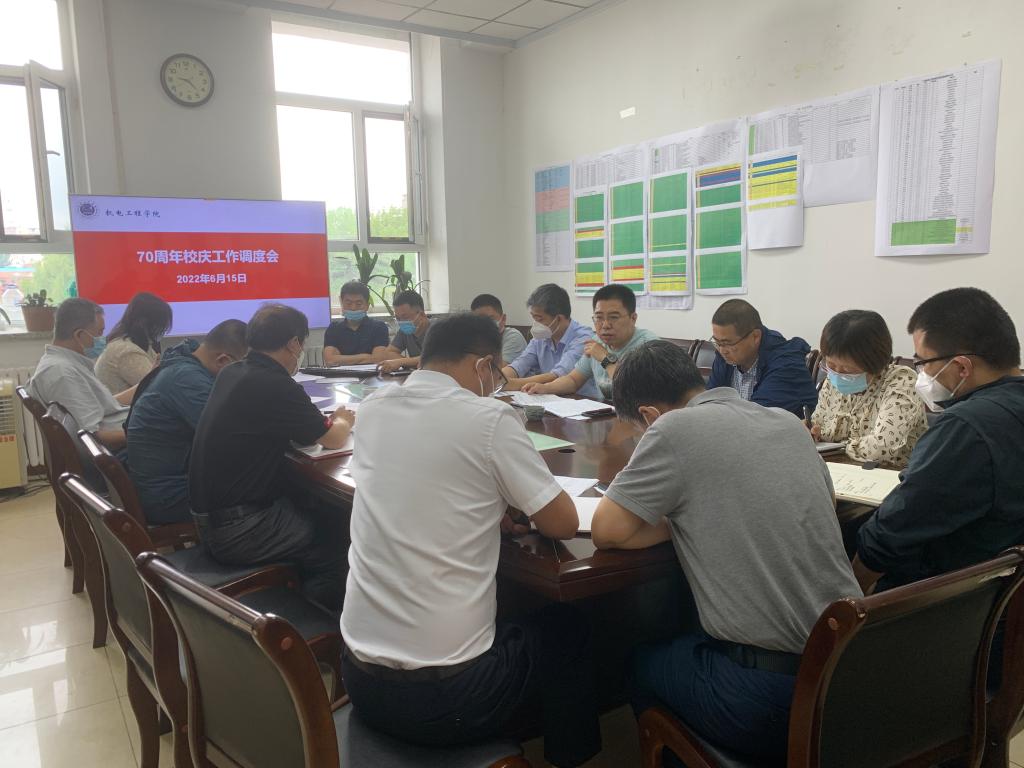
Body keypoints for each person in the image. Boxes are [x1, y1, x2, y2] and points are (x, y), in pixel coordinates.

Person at [340, 313, 601, 768]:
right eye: (496, 373)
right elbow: (561, 523)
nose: (495, 384)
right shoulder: (488, 417)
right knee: (567, 626)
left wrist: (486, 508)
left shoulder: (375, 407)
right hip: (449, 700)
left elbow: (414, 487)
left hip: (360, 680)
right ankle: (572, 758)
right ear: (483, 365)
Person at [590, 340, 860, 759]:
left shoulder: (671, 429)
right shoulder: (786, 421)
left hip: (772, 696)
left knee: (640, 661)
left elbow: (607, 531)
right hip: (851, 668)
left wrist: (683, 519)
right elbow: (826, 504)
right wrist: (700, 514)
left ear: (649, 415)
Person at [854, 288, 1024, 593]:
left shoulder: (966, 427)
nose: (921, 373)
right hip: (1006, 595)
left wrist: (849, 598)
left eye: (922, 362)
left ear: (962, 367)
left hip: (946, 600)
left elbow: (892, 533)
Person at [188, 304, 354, 612]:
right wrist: (344, 419)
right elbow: (332, 438)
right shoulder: (275, 383)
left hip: (208, 519)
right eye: (301, 344)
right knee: (341, 539)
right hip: (241, 530)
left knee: (320, 510)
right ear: (293, 343)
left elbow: (302, 432)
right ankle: (315, 619)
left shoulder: (233, 372)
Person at [124, 319, 248, 525]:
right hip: (169, 497)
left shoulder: (185, 361)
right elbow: (234, 440)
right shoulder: (188, 381)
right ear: (223, 360)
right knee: (276, 488)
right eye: (246, 368)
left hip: (165, 484)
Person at [811, 310, 927, 469]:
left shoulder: (902, 381)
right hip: (840, 471)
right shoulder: (832, 379)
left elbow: (882, 448)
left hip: (893, 475)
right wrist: (810, 431)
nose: (837, 374)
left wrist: (840, 447)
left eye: (847, 370)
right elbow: (818, 425)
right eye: (830, 365)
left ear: (875, 364)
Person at [27, 298, 133, 450]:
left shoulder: (69, 364)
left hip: (126, 430)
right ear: (79, 335)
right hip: (122, 449)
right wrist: (149, 434)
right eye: (99, 332)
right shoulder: (62, 373)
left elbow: (103, 406)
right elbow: (94, 436)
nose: (103, 339)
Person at [522, 283, 657, 400]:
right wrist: (545, 388)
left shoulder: (649, 346)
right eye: (599, 317)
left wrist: (605, 359)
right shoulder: (596, 342)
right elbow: (573, 380)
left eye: (613, 317)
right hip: (605, 414)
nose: (605, 325)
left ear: (633, 318)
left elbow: (632, 392)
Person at [707, 299, 818, 416]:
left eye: (728, 343)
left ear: (755, 337)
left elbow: (757, 417)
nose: (722, 351)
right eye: (717, 342)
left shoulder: (786, 365)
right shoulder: (724, 355)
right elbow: (709, 403)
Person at [501, 283, 598, 398]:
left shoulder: (583, 338)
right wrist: (499, 378)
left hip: (583, 402)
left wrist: (512, 384)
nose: (536, 324)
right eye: (533, 318)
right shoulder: (541, 337)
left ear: (559, 318)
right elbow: (520, 364)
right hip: (550, 400)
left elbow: (558, 375)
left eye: (539, 319)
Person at [95, 292, 173, 392]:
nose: (162, 331)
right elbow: (159, 388)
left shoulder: (136, 344)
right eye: (161, 326)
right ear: (146, 323)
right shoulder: (126, 352)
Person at [322, 281, 390, 365]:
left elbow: (379, 359)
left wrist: (341, 359)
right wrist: (366, 357)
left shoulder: (379, 327)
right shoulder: (333, 328)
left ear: (367, 306)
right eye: (348, 303)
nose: (353, 308)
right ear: (342, 303)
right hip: (342, 373)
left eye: (359, 304)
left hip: (371, 373)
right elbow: (330, 360)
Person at [378, 290, 430, 373]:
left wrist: (401, 362)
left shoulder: (439, 329)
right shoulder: (404, 331)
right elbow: (388, 353)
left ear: (422, 315)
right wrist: (409, 363)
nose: (402, 322)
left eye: (405, 317)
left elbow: (434, 359)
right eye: (398, 318)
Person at [470, 293, 526, 366]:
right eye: (479, 320)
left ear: (503, 319)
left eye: (490, 319)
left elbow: (499, 369)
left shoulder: (513, 336)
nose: (484, 324)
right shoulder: (474, 339)